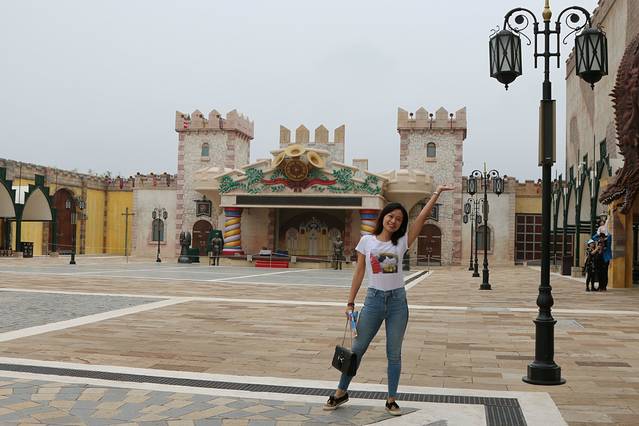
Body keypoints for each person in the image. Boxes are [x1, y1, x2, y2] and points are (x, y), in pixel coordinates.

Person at [324, 184, 454, 416]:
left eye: (399, 219)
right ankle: (341, 391)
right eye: (391, 216)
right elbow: (359, 272)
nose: (393, 221)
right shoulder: (367, 241)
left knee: (394, 353)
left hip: (397, 303)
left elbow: (421, 218)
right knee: (357, 350)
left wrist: (437, 193)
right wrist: (350, 302)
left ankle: (391, 399)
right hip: (373, 301)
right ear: (383, 217)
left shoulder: (402, 241)